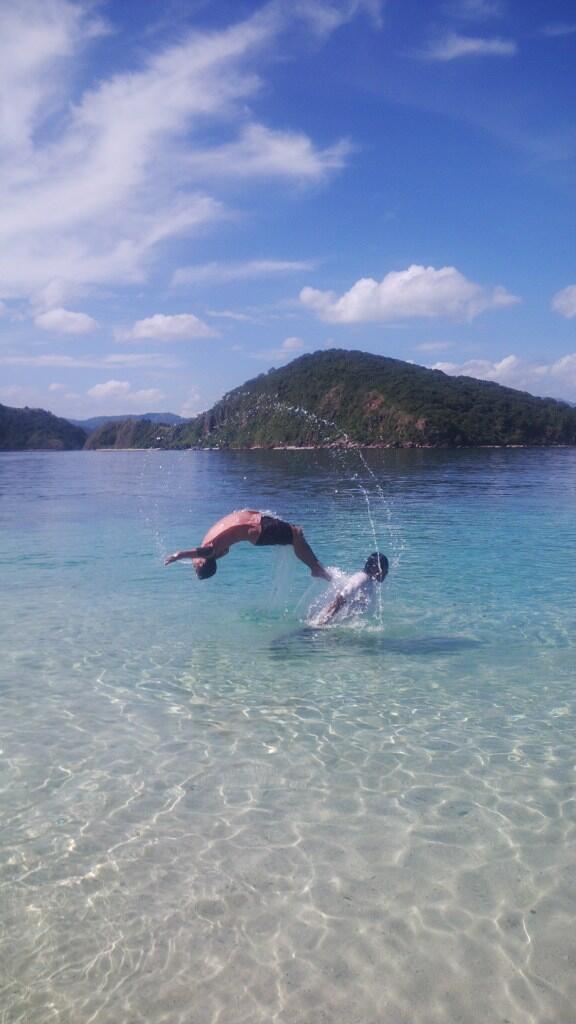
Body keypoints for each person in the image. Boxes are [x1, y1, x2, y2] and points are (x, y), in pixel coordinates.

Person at [164, 509, 331, 580]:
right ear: (201, 561)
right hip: (259, 530)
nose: (193, 563)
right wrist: (178, 555)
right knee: (296, 534)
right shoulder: (210, 551)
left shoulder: (215, 549)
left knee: (295, 535)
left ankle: (315, 568)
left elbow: (225, 547)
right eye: (195, 566)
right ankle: (315, 569)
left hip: (258, 525)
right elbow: (203, 552)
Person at [314, 552, 389, 625]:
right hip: (328, 624)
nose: (386, 572)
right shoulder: (361, 579)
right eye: (384, 569)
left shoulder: (370, 581)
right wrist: (322, 623)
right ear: (374, 567)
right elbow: (341, 597)